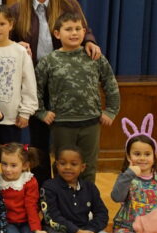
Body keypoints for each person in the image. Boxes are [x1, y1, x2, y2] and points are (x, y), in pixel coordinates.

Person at [9, 0, 102, 185]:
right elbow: (7, 40)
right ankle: (42, 188)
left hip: (63, 82)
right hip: (33, 82)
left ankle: (70, 190)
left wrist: (89, 40)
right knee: (38, 140)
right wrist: (15, 45)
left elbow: (82, 27)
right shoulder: (17, 9)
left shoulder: (68, 4)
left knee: (65, 140)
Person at [34, 12, 120, 184]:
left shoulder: (94, 57)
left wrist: (111, 110)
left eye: (78, 29)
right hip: (62, 124)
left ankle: (86, 204)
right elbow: (36, 89)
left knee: (88, 166)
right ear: (57, 34)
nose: (74, 33)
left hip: (91, 123)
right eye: (68, 29)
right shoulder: (49, 61)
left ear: (84, 31)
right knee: (62, 165)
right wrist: (41, 112)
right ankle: (60, 202)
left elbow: (110, 83)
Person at [0, 6, 37, 145]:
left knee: (11, 160)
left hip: (12, 119)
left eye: (2, 24)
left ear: (11, 25)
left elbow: (29, 84)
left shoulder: (20, 52)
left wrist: (25, 112)